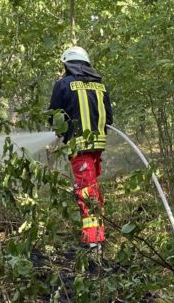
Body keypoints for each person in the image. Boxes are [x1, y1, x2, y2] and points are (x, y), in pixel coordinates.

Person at [48, 46, 113, 245]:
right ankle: (96, 233)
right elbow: (109, 119)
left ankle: (93, 241)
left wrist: (63, 131)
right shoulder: (101, 86)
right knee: (92, 189)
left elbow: (54, 117)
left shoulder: (63, 84)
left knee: (87, 193)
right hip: (97, 146)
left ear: (67, 65)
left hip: (79, 147)